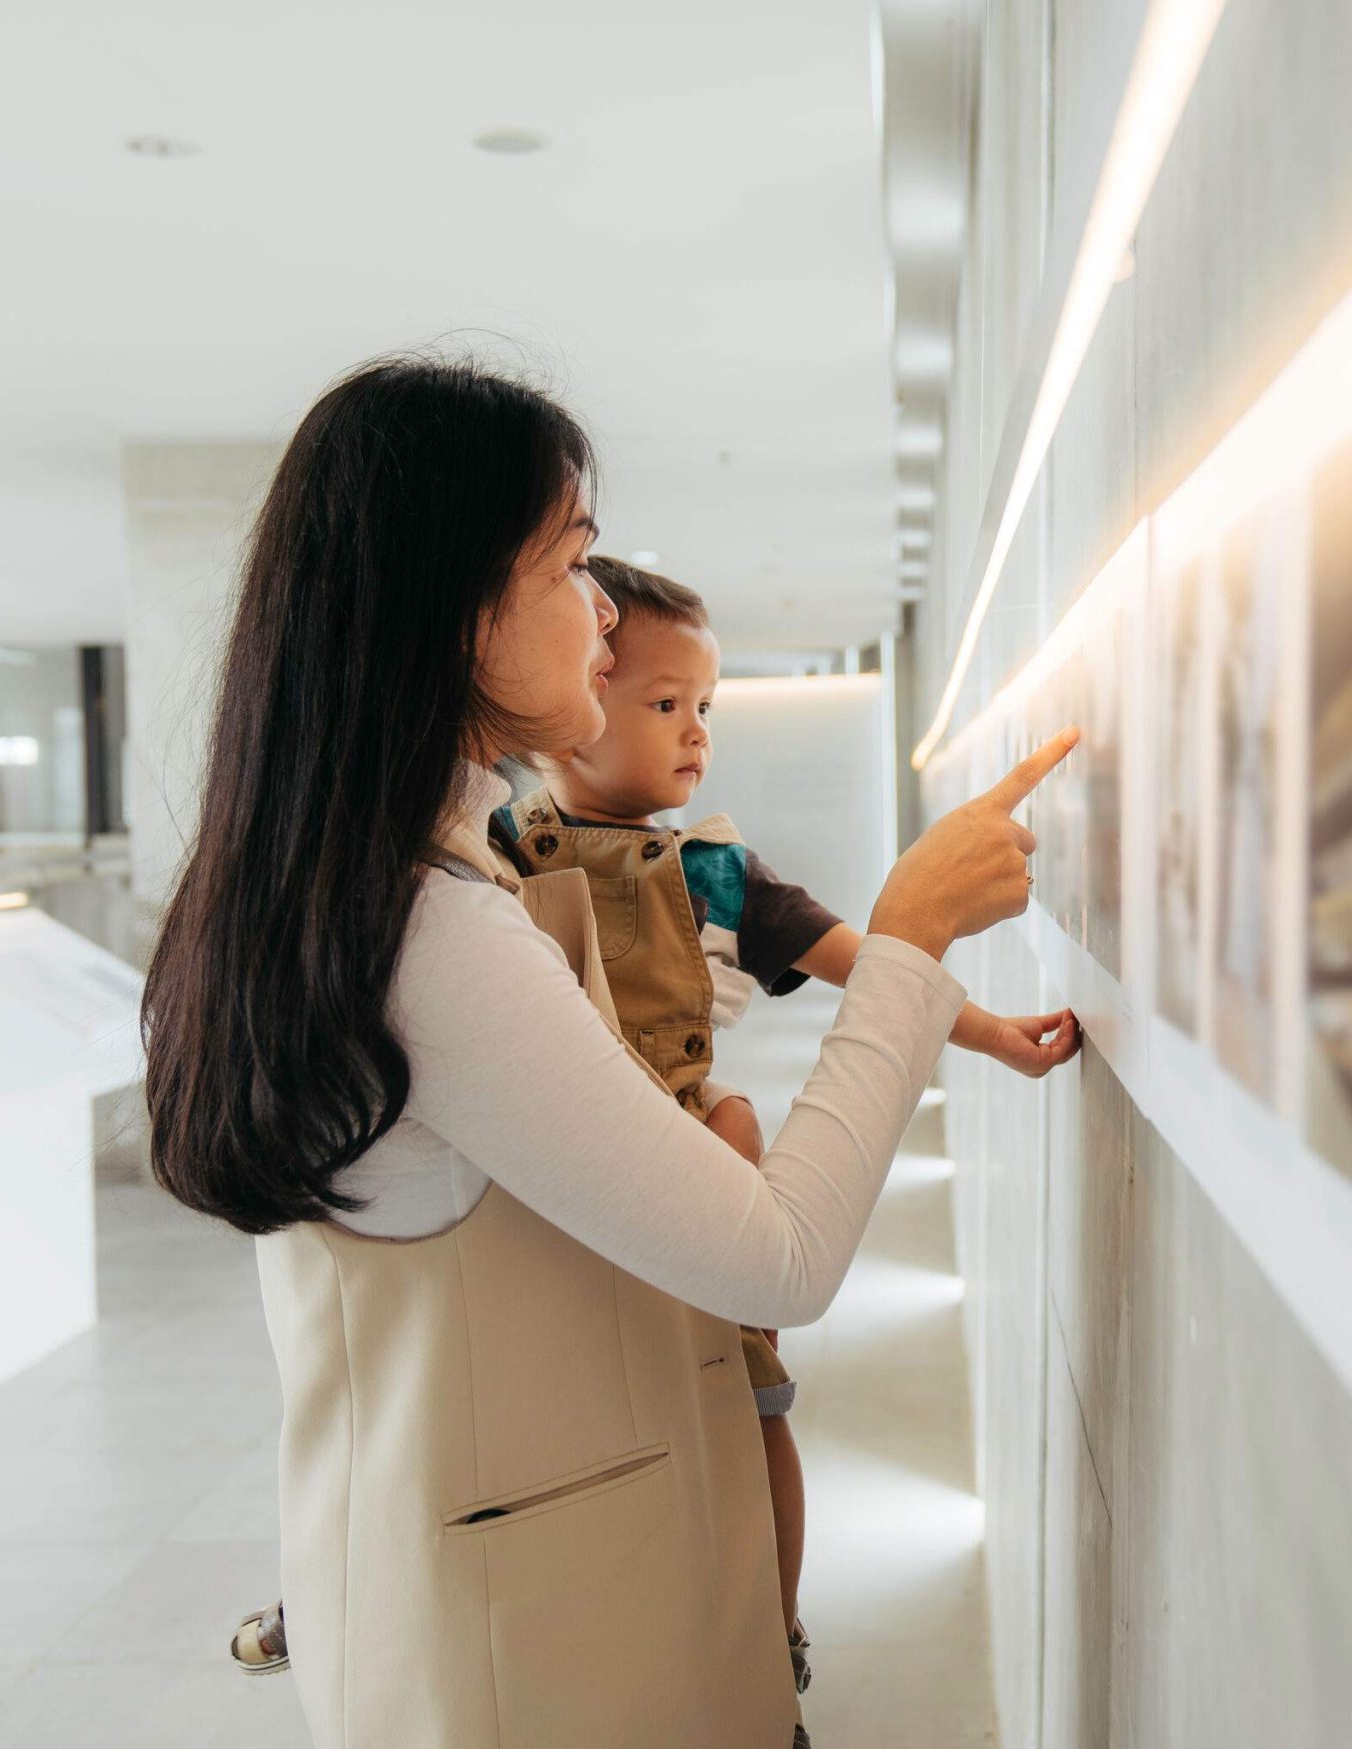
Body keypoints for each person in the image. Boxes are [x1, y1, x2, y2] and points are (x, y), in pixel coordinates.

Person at [142, 355, 1075, 1749]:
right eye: (573, 566)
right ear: (457, 609)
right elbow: (780, 1256)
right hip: (542, 1657)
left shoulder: (367, 888)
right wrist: (909, 937)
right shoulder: (432, 930)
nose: (600, 611)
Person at [494, 554, 1078, 1693]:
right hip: (562, 1179)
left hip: (690, 1176)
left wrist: (993, 1033)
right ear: (574, 703)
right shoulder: (502, 858)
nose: (695, 732)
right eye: (665, 704)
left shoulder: (711, 870)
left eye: (705, 706)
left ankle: (776, 1627)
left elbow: (874, 965)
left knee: (752, 1403)